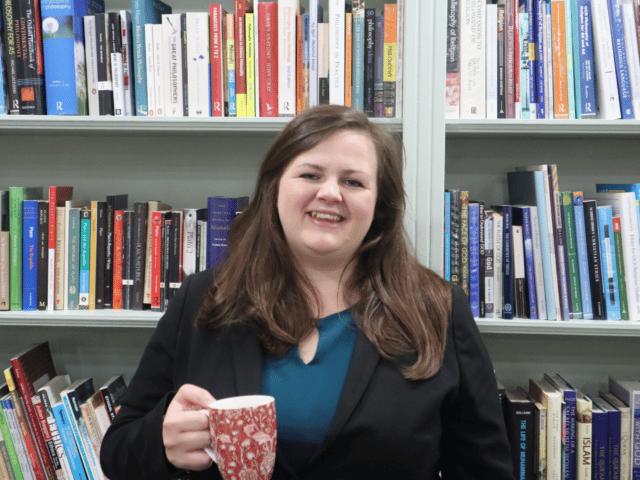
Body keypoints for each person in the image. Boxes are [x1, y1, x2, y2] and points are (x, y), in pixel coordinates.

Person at [100, 105, 514, 480]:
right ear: (274, 188)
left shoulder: (437, 309)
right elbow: (118, 454)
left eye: (353, 181)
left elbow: (485, 470)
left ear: (380, 206)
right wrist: (162, 442)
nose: (330, 193)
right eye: (311, 174)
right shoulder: (204, 297)